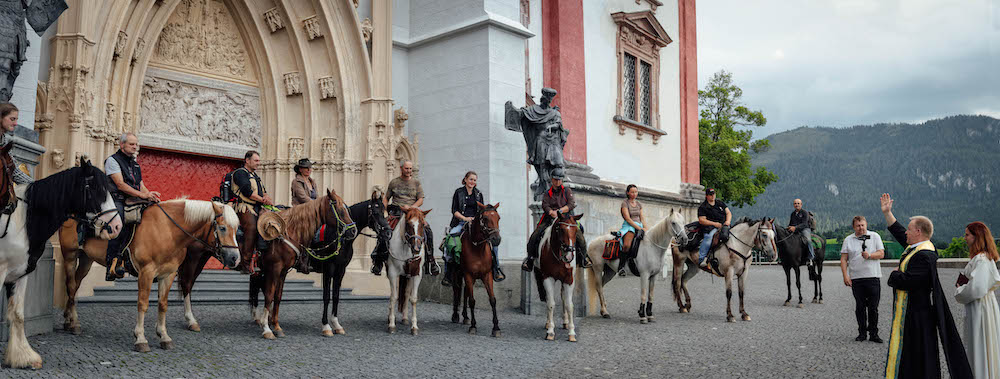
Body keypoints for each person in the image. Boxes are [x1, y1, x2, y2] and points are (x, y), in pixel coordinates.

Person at [880, 193, 972, 379]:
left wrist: (894, 274)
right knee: (911, 352)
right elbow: (899, 232)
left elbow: (910, 282)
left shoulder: (925, 255)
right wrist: (887, 213)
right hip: (913, 312)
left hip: (918, 314)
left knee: (918, 353)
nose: (906, 232)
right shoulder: (920, 247)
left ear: (918, 232)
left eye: (909, 229)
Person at [103, 132, 161, 281]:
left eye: (136, 144)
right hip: (116, 199)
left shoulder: (135, 164)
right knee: (119, 222)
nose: (135, 147)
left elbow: (140, 185)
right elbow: (120, 185)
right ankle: (112, 264)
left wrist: (150, 195)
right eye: (131, 144)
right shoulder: (112, 160)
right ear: (122, 145)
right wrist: (143, 196)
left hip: (134, 199)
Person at [370, 160, 439, 276]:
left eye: (410, 169)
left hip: (412, 212)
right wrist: (384, 210)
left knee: (428, 230)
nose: (409, 171)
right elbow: (386, 198)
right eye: (407, 168)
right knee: (384, 232)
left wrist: (411, 208)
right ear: (401, 168)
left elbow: (420, 199)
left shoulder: (416, 183)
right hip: (396, 212)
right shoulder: (394, 182)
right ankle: (378, 261)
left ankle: (430, 261)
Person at [521, 167, 591, 271]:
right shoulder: (547, 193)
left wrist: (560, 211)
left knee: (580, 236)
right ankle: (530, 259)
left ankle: (584, 258)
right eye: (555, 179)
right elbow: (545, 205)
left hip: (566, 218)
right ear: (552, 179)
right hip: (550, 218)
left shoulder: (567, 191)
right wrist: (551, 212)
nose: (557, 181)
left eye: (559, 179)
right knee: (535, 235)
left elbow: (571, 204)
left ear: (562, 180)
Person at [954, 221, 1000, 379]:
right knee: (979, 344)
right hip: (981, 306)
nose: (965, 238)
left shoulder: (981, 260)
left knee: (979, 344)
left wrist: (959, 290)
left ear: (977, 237)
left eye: (967, 235)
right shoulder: (981, 258)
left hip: (980, 307)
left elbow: (976, 288)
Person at [445, 171, 504, 285]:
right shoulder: (459, 192)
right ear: (465, 180)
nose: (472, 182)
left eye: (474, 180)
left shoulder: (478, 194)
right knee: (449, 241)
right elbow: (454, 211)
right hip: (460, 222)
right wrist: (465, 218)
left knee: (492, 241)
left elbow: (481, 211)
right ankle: (448, 274)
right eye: (471, 179)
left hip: (475, 223)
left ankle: (496, 268)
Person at [839, 215, 885, 343]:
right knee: (860, 307)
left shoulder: (875, 236)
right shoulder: (848, 239)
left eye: (863, 225)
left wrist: (870, 255)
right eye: (858, 226)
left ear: (866, 225)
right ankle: (862, 333)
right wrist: (845, 275)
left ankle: (874, 334)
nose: (861, 228)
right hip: (856, 278)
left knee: (873, 307)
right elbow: (843, 259)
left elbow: (881, 253)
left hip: (873, 277)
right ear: (854, 227)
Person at [0, 103, 34, 184]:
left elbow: (14, 171)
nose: (15, 123)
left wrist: (36, 186)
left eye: (16, 119)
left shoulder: (5, 141)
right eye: (12, 119)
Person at [697, 188, 731, 268]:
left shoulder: (719, 203)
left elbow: (728, 213)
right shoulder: (703, 207)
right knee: (709, 238)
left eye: (713, 194)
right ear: (706, 196)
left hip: (724, 226)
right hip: (710, 228)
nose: (713, 196)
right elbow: (701, 220)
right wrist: (714, 224)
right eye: (710, 194)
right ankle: (702, 258)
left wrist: (728, 221)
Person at [617, 184, 646, 276]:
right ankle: (621, 267)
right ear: (628, 193)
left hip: (639, 225)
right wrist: (639, 228)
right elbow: (628, 219)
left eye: (636, 192)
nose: (634, 194)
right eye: (632, 192)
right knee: (626, 245)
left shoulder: (639, 204)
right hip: (629, 226)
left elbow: (642, 218)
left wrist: (645, 228)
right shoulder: (625, 203)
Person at [789, 199, 816, 266]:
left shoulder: (804, 213)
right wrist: (789, 227)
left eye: (798, 203)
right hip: (796, 230)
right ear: (793, 205)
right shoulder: (793, 214)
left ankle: (810, 258)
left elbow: (804, 224)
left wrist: (795, 228)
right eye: (795, 203)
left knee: (808, 240)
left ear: (801, 204)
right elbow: (791, 223)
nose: (797, 205)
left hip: (805, 229)